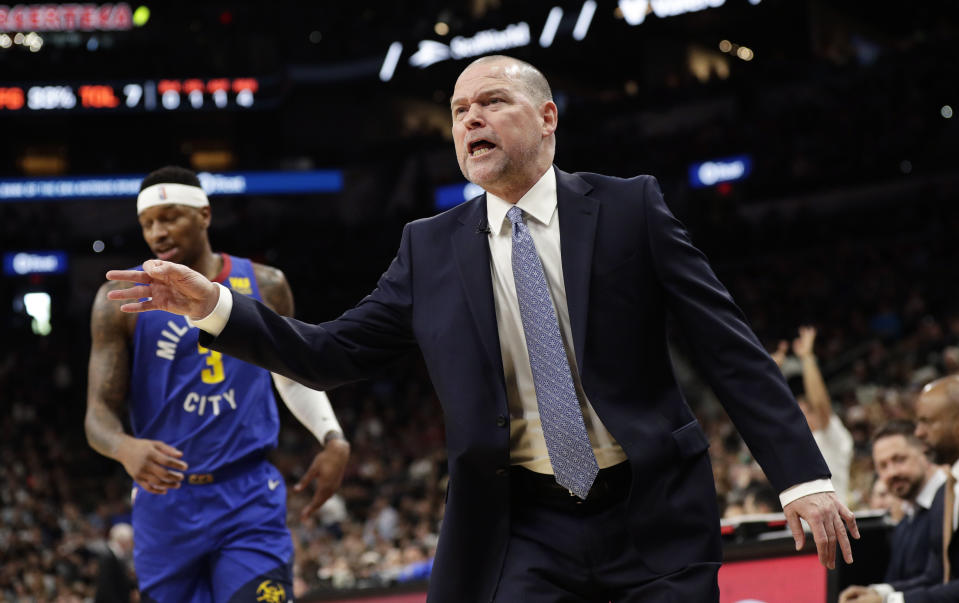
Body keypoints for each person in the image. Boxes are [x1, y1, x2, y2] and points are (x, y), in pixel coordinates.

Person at [104, 56, 858, 602]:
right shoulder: (427, 247)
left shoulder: (629, 208)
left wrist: (802, 476)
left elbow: (728, 349)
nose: (469, 119)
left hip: (651, 509)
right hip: (521, 522)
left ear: (545, 118)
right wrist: (213, 307)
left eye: (490, 102)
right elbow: (328, 354)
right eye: (459, 110)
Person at [86, 166, 351, 602]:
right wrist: (123, 447)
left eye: (169, 217)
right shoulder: (120, 303)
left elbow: (292, 372)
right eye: (148, 223)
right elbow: (97, 415)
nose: (157, 232)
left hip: (247, 495)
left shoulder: (265, 284)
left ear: (205, 214)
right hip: (165, 503)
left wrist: (332, 436)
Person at [841, 376, 959, 603]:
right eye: (882, 465)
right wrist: (880, 593)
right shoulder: (944, 496)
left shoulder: (943, 494)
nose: (920, 433)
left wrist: (890, 600)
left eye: (928, 422)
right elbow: (937, 577)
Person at [843, 421, 946, 599]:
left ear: (924, 452)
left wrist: (884, 599)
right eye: (883, 466)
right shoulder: (907, 518)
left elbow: (941, 580)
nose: (891, 472)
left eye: (899, 459)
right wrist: (875, 593)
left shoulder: (949, 502)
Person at [773, 325, 855, 504]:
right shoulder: (794, 443)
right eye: (798, 413)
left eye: (807, 412)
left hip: (835, 525)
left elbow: (819, 404)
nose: (801, 418)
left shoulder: (830, 434)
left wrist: (807, 357)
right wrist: (770, 374)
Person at [94, 522, 135, 603]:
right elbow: (106, 587)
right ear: (123, 541)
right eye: (131, 541)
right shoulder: (107, 557)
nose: (133, 545)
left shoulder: (117, 556)